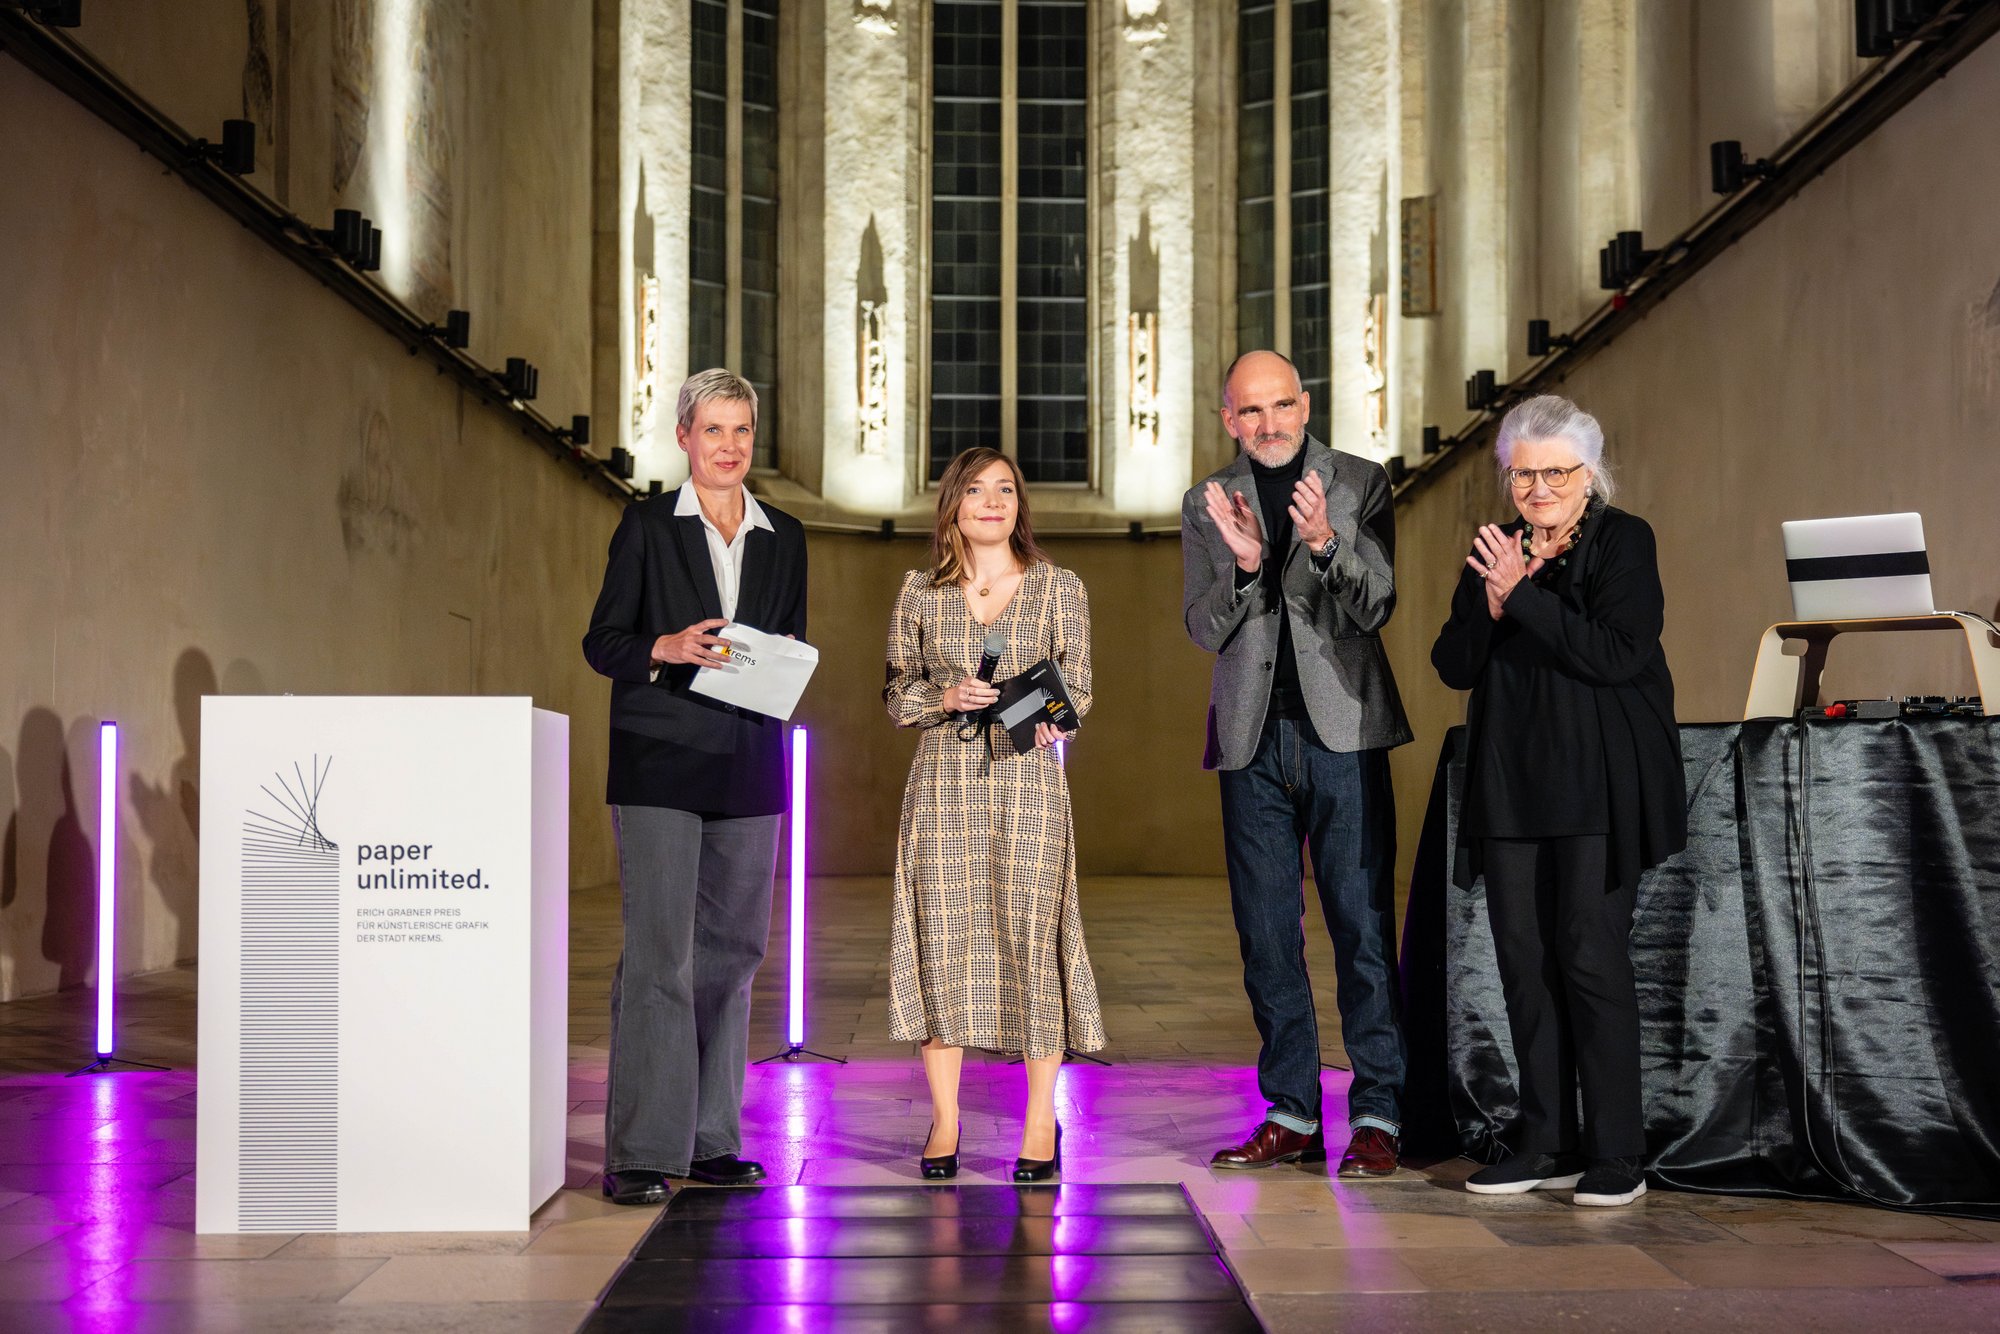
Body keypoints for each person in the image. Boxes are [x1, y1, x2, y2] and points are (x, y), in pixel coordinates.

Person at [1431, 394, 1685, 1208]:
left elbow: (1617, 652)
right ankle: (1545, 1139)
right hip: (1512, 783)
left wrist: (1527, 600)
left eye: (1555, 473)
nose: (1537, 489)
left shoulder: (1623, 540)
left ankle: (1617, 1152)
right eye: (1522, 474)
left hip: (1599, 784)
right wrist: (1493, 598)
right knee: (1524, 965)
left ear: (1589, 473)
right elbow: (1454, 664)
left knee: (1590, 960)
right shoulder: (1496, 549)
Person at [1181, 350, 1413, 1179]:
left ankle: (1381, 1110)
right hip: (1250, 739)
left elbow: (1375, 604)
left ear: (1306, 405)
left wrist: (1320, 546)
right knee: (1268, 934)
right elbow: (1203, 628)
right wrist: (1246, 569)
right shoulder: (1205, 502)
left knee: (1361, 926)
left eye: (1281, 407)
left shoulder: (1359, 482)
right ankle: (1291, 1111)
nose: (1268, 425)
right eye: (1250, 412)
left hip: (1343, 731)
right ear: (1227, 419)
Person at [581, 369, 808, 1205]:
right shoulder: (646, 525)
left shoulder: (785, 533)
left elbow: (790, 638)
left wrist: (785, 662)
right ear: (684, 437)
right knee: (659, 959)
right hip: (658, 763)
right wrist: (665, 647)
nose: (730, 446)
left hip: (751, 762)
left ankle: (713, 1139)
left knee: (733, 956)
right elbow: (601, 640)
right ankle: (642, 1147)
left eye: (742, 430)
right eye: (714, 430)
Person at [884, 446, 1106, 1184]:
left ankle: (1041, 1120)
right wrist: (942, 699)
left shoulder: (1059, 586)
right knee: (942, 944)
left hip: (1026, 784)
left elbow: (1078, 687)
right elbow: (895, 693)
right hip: (943, 783)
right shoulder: (919, 591)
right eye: (976, 489)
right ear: (952, 503)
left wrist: (1055, 718)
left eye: (1005, 489)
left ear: (1019, 504)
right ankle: (946, 1119)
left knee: (1032, 941)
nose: (992, 501)